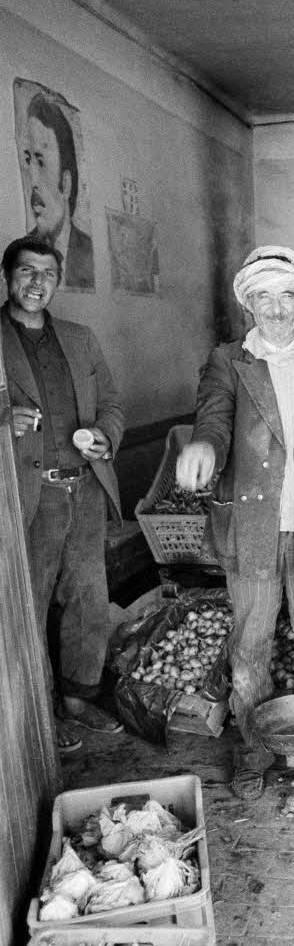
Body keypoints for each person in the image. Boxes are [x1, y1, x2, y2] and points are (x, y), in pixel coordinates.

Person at [176, 245, 294, 800]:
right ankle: (253, 748)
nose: (276, 308)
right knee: (251, 645)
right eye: (263, 296)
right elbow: (214, 422)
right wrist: (204, 450)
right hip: (254, 527)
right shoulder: (227, 361)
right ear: (248, 303)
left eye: (287, 295)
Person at [1, 234, 125, 752]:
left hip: (85, 489)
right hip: (26, 498)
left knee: (90, 601)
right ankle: (36, 712)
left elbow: (114, 405)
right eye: (27, 272)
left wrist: (106, 437)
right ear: (8, 278)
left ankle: (77, 698)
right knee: (25, 605)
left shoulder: (79, 338)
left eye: (47, 274)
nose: (37, 283)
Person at [20, 93, 95, 292]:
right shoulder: (22, 254)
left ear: (66, 183)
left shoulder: (86, 250)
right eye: (28, 161)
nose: (32, 180)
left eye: (41, 162)